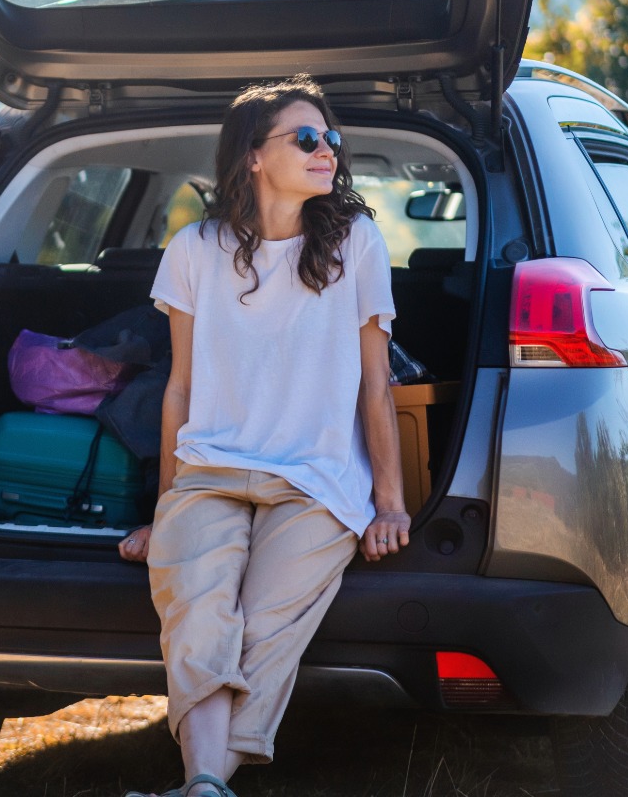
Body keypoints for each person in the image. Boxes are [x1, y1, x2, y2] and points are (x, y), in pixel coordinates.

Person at [118, 76, 410, 797]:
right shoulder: (192, 249)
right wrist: (164, 510)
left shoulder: (358, 244)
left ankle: (203, 784)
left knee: (259, 627)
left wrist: (391, 503)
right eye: (306, 139)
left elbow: (378, 384)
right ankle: (208, 787)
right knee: (197, 614)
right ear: (253, 155)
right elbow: (178, 388)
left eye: (330, 139)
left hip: (316, 485)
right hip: (208, 473)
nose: (326, 151)